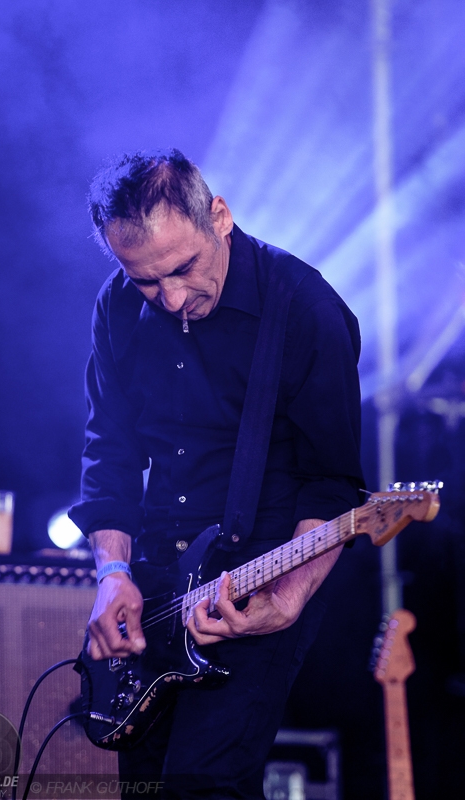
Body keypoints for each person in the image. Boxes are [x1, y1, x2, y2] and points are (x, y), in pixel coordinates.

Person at [69, 149, 364, 799]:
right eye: (147, 280)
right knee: (145, 787)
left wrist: (286, 600)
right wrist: (112, 572)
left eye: (183, 268)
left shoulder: (303, 307)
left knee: (204, 784)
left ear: (220, 217)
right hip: (157, 579)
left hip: (263, 570)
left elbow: (334, 483)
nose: (172, 298)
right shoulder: (117, 305)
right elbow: (109, 453)